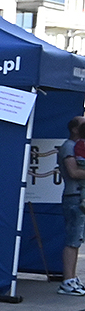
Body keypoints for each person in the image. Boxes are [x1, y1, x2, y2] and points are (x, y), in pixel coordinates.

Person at [60, 117, 85, 296]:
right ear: (75, 129)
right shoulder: (68, 146)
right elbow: (73, 172)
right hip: (74, 197)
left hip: (79, 197)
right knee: (73, 239)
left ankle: (73, 277)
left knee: (77, 240)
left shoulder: (79, 146)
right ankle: (67, 280)